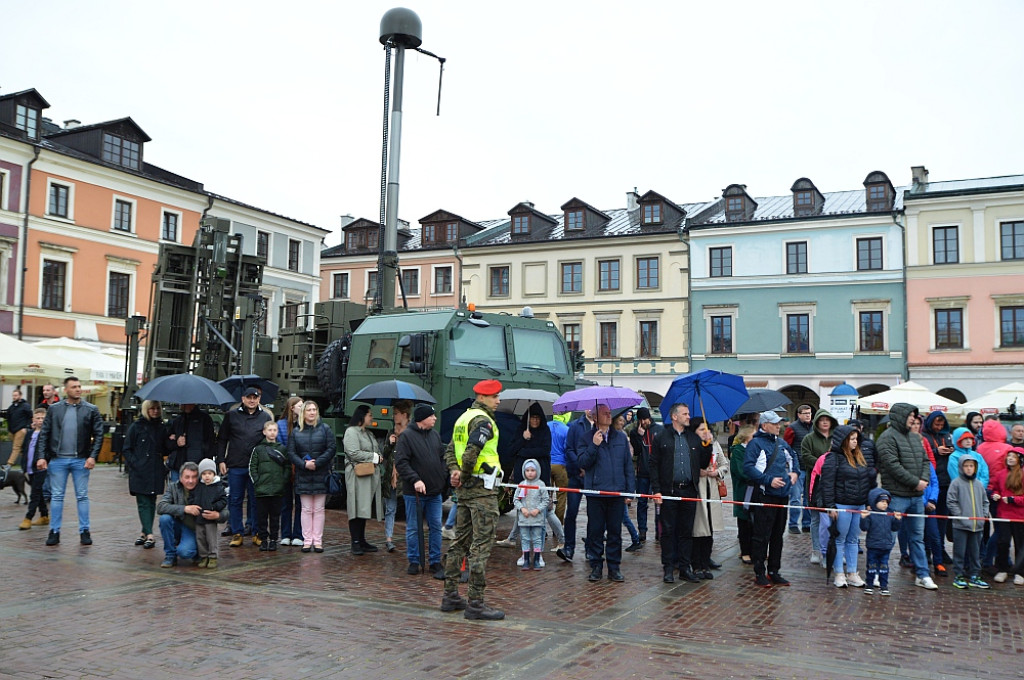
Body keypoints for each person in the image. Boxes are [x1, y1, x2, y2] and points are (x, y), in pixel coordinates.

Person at [441, 379, 505, 621]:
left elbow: (449, 450)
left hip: (466, 493)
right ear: (483, 398)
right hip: (481, 491)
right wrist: (463, 475)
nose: (498, 401)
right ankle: (476, 603)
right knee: (481, 547)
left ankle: (450, 595)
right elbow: (470, 454)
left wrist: (454, 473)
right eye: (495, 397)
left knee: (459, 543)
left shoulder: (463, 418)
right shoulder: (483, 421)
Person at [876, 403, 938, 590]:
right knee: (889, 536)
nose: (913, 419)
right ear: (900, 416)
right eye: (910, 415)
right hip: (897, 496)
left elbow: (925, 460)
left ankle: (923, 574)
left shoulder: (915, 437)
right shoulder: (886, 438)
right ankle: (879, 572)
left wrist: (924, 480)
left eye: (914, 416)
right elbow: (892, 466)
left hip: (916, 497)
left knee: (918, 537)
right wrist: (915, 482)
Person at [36, 376, 103, 547]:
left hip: (81, 459)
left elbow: (99, 434)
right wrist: (42, 456)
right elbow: (45, 433)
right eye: (74, 387)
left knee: (82, 496)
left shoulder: (91, 409)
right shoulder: (54, 409)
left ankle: (84, 531)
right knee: (57, 496)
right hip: (58, 459)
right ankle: (54, 531)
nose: (78, 389)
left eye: (79, 386)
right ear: (66, 390)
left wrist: (93, 456)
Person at [650, 403, 710, 584]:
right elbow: (653, 465)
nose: (688, 416)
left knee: (686, 531)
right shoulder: (661, 437)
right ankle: (668, 567)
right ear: (675, 416)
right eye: (685, 414)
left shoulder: (693, 438)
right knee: (668, 531)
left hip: (689, 491)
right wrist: (657, 490)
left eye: (688, 413)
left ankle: (685, 567)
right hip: (669, 491)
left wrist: (707, 444)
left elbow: (703, 463)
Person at [578, 403, 635, 583]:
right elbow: (582, 462)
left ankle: (614, 567)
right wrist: (594, 445)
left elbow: (628, 465)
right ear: (595, 417)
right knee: (595, 532)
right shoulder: (586, 437)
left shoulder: (620, 437)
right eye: (605, 413)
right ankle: (595, 566)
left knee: (615, 532)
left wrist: (629, 491)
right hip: (595, 493)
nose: (610, 416)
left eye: (610, 413)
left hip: (616, 493)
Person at [743, 410, 799, 587]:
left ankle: (774, 570)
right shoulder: (755, 444)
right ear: (764, 425)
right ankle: (759, 571)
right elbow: (748, 468)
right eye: (774, 423)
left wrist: (794, 474)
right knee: (761, 536)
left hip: (782, 497)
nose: (778, 426)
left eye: (779, 423)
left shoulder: (782, 443)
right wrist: (768, 481)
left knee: (778, 536)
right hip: (765, 496)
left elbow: (794, 459)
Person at [395, 403, 448, 578]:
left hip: (434, 492)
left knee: (435, 527)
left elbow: (442, 457)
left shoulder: (434, 435)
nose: (435, 418)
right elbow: (401, 462)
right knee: (413, 528)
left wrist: (443, 476)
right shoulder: (407, 437)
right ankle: (414, 560)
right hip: (414, 493)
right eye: (431, 416)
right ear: (422, 419)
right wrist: (415, 479)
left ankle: (434, 561)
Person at [217, 386, 272, 547]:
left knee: (256, 500)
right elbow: (222, 439)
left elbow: (269, 439)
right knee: (235, 499)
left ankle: (256, 532)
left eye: (255, 397)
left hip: (256, 466)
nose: (252, 400)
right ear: (243, 399)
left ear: (259, 399)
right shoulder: (231, 416)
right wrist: (221, 460)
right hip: (235, 464)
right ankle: (237, 532)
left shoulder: (265, 417)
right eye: (249, 397)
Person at [820, 425, 874, 588]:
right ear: (844, 441)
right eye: (851, 439)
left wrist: (868, 502)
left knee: (853, 540)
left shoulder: (859, 457)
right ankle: (839, 573)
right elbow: (827, 484)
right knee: (839, 539)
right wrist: (830, 506)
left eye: (856, 439)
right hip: (842, 504)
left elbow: (867, 481)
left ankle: (852, 572)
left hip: (858, 504)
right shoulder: (833, 458)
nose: (855, 442)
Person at [157, 461, 226, 568]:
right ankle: (170, 555)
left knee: (185, 552)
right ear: (180, 477)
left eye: (194, 477)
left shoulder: (206, 487)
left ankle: (197, 552)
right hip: (178, 524)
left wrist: (218, 516)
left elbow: (226, 510)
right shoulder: (173, 487)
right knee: (164, 519)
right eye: (187, 477)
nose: (191, 481)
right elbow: (161, 506)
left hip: (194, 528)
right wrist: (185, 509)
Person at [289, 401, 337, 553]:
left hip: (320, 473)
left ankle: (318, 541)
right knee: (306, 509)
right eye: (309, 410)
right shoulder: (296, 432)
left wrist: (318, 462)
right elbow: (291, 453)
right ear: (303, 412)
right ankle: (307, 540)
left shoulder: (325, 429)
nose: (311, 412)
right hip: (303, 475)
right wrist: (304, 464)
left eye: (314, 409)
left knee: (319, 509)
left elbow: (331, 448)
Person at [122, 400, 168, 550]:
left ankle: (144, 531)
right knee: (143, 501)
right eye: (152, 409)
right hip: (140, 470)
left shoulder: (161, 427)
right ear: (146, 410)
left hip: (155, 469)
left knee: (151, 500)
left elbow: (165, 448)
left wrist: (175, 441)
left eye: (157, 408)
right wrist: (135, 463)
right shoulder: (136, 426)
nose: (155, 411)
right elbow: (127, 448)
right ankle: (149, 534)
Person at [690, 417, 728, 579]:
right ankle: (696, 563)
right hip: (697, 489)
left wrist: (716, 472)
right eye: (701, 430)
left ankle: (706, 562)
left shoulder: (715, 445)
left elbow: (724, 464)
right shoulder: (692, 446)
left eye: (707, 429)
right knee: (698, 528)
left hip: (712, 488)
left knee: (710, 529)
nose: (706, 433)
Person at [343, 403, 383, 555]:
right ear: (362, 416)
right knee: (356, 506)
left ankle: (362, 539)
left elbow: (375, 450)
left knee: (364, 507)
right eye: (369, 415)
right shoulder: (351, 432)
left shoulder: (368, 433)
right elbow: (353, 452)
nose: (371, 417)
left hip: (368, 474)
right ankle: (355, 541)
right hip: (357, 475)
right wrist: (373, 457)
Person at [946, 453, 990, 589]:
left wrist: (983, 516)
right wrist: (961, 516)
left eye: (971, 466)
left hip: (977, 526)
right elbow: (951, 501)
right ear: (961, 467)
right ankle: (958, 575)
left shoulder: (979, 484)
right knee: (960, 552)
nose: (969, 469)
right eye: (966, 466)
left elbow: (985, 501)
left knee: (975, 552)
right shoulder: (956, 483)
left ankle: (975, 575)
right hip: (961, 526)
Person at [799, 408, 838, 559]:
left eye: (827, 420)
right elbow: (806, 456)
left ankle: (833, 549)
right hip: (815, 482)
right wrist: (823, 464)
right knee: (815, 518)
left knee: (833, 518)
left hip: (834, 483)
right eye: (822, 420)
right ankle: (816, 550)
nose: (824, 423)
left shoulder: (836, 438)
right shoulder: (809, 439)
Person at [559, 408, 595, 562]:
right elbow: (569, 449)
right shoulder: (575, 426)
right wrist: (580, 466)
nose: (590, 410)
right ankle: (569, 547)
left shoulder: (600, 426)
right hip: (576, 475)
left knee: (594, 514)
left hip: (593, 477)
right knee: (571, 512)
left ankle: (591, 548)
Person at [250, 420, 290, 552]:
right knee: (261, 517)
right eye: (270, 430)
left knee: (274, 517)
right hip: (262, 490)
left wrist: (283, 481)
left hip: (277, 490)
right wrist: (257, 481)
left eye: (274, 430)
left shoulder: (282, 449)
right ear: (264, 432)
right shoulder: (258, 449)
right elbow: (252, 467)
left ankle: (273, 539)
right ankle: (263, 539)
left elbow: (287, 467)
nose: (272, 433)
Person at [989, 447, 1024, 585]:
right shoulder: (1000, 474)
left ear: (1020, 459)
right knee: (1003, 542)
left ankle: (1020, 572)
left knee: (1020, 544)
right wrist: (994, 495)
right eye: (1008, 456)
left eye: (1013, 456)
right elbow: (994, 488)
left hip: (1019, 516)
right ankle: (1002, 569)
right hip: (1003, 514)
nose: (1010, 458)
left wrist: (1013, 499)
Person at [381, 399, 411, 553]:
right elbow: (384, 455)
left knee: (409, 508)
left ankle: (410, 538)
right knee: (390, 508)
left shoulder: (412, 432)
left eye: (396, 414)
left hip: (405, 476)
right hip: (390, 476)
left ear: (405, 415)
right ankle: (389, 539)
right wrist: (390, 443)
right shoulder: (391, 431)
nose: (394, 416)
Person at [860, 488, 902, 595]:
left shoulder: (889, 514)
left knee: (884, 567)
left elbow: (894, 528)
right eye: (882, 502)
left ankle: (884, 586)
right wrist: (864, 518)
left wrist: (898, 520)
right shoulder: (871, 514)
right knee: (871, 567)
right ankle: (869, 584)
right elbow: (864, 528)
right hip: (873, 546)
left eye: (886, 502)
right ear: (875, 502)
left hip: (885, 547)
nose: (885, 504)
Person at [276, 396, 305, 547]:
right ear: (292, 408)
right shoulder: (280, 425)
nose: (303, 408)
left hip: (301, 469)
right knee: (286, 503)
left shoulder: (304, 425)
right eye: (300, 406)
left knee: (301, 503)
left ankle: (298, 534)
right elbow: (279, 446)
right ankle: (286, 534)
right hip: (285, 468)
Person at [628, 407, 659, 545]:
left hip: (657, 473)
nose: (643, 422)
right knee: (642, 503)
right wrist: (639, 436)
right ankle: (642, 530)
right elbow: (637, 452)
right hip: (642, 472)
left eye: (645, 419)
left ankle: (660, 531)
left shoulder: (659, 430)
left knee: (659, 503)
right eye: (640, 420)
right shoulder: (635, 432)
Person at [513, 458, 550, 570]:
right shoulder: (521, 484)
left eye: (532, 470)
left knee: (537, 538)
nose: (530, 472)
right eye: (527, 470)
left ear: (537, 471)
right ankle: (526, 559)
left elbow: (546, 500)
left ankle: (537, 559)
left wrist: (538, 510)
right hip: (524, 519)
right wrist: (522, 508)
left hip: (537, 519)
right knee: (524, 538)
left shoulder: (541, 484)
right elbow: (516, 499)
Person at [784, 404, 815, 534]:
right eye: (805, 413)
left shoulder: (815, 428)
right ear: (799, 414)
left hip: (810, 469)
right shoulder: (792, 428)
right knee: (796, 498)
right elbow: (786, 447)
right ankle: (793, 524)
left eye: (809, 413)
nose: (808, 415)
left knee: (809, 498)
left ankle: (807, 524)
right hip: (797, 469)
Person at [165, 403, 216, 482]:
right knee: (175, 492)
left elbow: (210, 443)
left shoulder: (205, 419)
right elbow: (167, 443)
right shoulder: (177, 421)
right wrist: (177, 443)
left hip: (196, 466)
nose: (185, 406)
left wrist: (205, 462)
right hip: (177, 466)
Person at [17, 408, 48, 530]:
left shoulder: (47, 434)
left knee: (34, 493)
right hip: (29, 468)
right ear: (33, 420)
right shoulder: (29, 433)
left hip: (40, 468)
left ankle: (28, 518)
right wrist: (24, 466)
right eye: (38, 418)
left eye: (43, 418)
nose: (40, 421)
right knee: (38, 492)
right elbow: (24, 450)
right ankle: (44, 515)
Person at [193, 458, 228, 567]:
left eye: (209, 473)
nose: (207, 476)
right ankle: (203, 556)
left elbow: (223, 500)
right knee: (200, 538)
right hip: (199, 517)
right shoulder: (198, 487)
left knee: (211, 538)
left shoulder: (218, 487)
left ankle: (212, 556)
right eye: (204, 474)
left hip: (211, 519)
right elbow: (193, 498)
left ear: (214, 474)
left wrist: (215, 507)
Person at [729, 425, 756, 565]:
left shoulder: (757, 450)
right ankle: (745, 551)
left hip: (756, 489)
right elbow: (741, 471)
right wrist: (757, 475)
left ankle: (755, 549)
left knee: (756, 521)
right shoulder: (738, 451)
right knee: (744, 521)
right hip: (743, 490)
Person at [547, 413, 570, 529]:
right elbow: (568, 448)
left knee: (545, 496)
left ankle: (542, 527)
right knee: (561, 495)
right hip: (560, 465)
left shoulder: (546, 426)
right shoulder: (566, 429)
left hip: (546, 464)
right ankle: (558, 525)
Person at [4, 388, 34, 467]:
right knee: (20, 448)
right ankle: (28, 462)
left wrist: (27, 426)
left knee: (16, 447)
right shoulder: (12, 407)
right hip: (12, 430)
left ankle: (9, 464)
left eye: (16, 395)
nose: (14, 397)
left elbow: (30, 416)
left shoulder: (25, 406)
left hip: (21, 429)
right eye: (13, 395)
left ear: (20, 396)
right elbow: (7, 416)